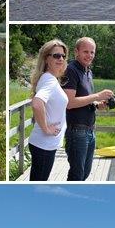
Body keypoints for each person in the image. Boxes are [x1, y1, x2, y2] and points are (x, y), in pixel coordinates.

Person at [62, 37, 114, 181]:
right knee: (77, 175)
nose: (89, 55)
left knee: (85, 173)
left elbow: (86, 98)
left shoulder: (88, 71)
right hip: (77, 131)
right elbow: (69, 103)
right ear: (76, 52)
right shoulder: (71, 70)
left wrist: (97, 104)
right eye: (86, 51)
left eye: (92, 52)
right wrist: (97, 95)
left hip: (90, 130)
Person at [28, 39, 69, 181]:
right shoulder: (49, 80)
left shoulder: (50, 78)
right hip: (44, 145)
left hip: (44, 145)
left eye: (63, 56)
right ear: (46, 59)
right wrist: (46, 128)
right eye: (56, 55)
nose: (61, 59)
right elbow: (37, 103)